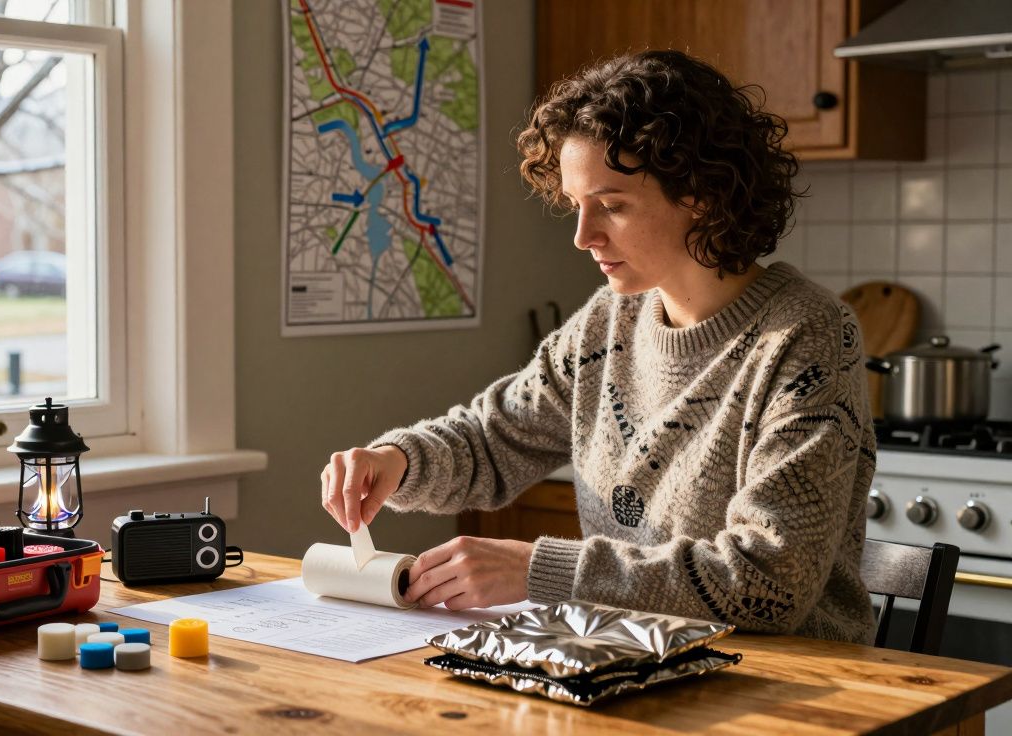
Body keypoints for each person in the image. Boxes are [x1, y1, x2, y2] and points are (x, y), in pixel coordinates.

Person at [319, 49, 876, 643]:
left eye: (611, 206)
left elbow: (769, 580)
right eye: (577, 207)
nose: (584, 237)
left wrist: (539, 571)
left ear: (702, 194)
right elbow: (493, 440)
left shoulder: (807, 335)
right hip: (631, 656)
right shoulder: (608, 323)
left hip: (793, 677)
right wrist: (397, 461)